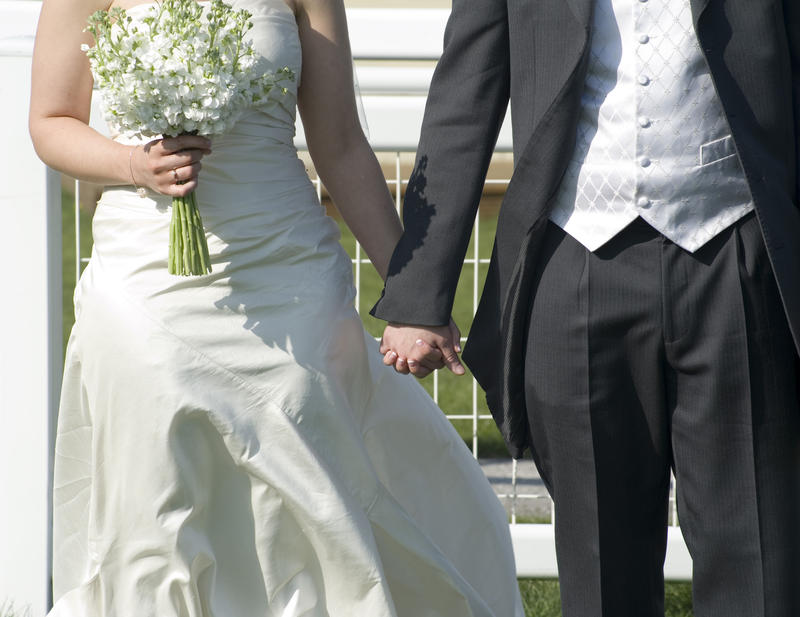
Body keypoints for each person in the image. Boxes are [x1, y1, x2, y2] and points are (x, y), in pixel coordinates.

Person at [29, 0, 525, 614]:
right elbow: (51, 121)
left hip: (288, 272)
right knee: (153, 493)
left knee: (312, 484)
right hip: (142, 274)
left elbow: (339, 144)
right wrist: (133, 164)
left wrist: (414, 294)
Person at [374, 0, 800, 616]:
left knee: (758, 558)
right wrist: (419, 295)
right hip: (573, 260)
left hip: (737, 255)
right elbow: (465, 95)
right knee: (602, 568)